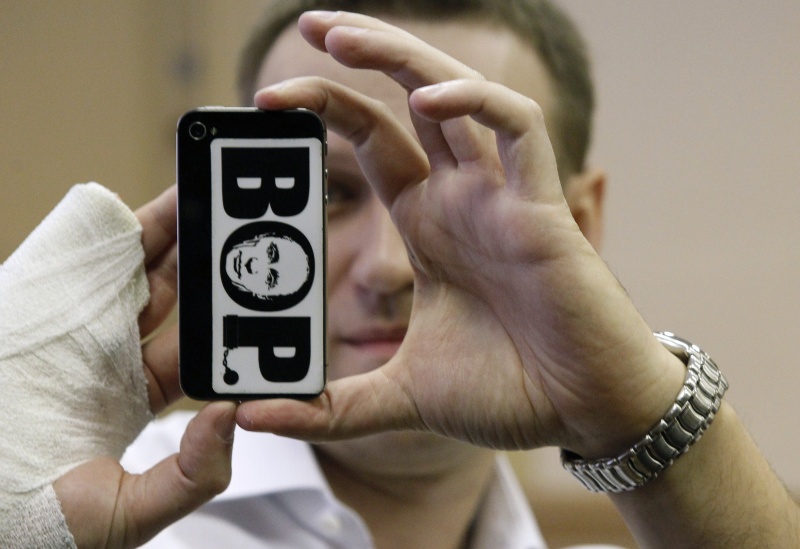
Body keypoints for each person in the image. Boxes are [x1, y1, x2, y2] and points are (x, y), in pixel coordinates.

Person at [1, 2, 798, 548]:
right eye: (327, 193)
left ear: (581, 226)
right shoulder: (79, 515)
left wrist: (636, 411)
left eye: (471, 201)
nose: (389, 267)